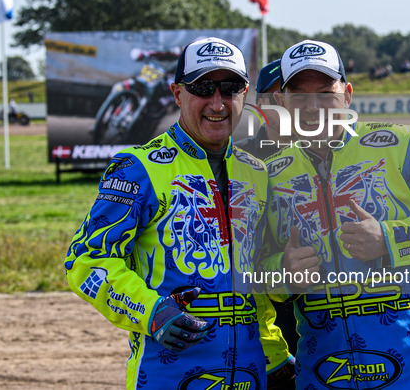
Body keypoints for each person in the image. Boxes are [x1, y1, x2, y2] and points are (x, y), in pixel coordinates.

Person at [261, 39, 410, 388]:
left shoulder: (403, 143)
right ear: (280, 102)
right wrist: (282, 272)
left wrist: (390, 238)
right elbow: (254, 274)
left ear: (347, 95)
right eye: (299, 95)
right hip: (321, 372)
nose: (313, 106)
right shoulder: (271, 175)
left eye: (325, 92)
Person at [65, 36, 280, 390]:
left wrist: (274, 355)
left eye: (230, 88)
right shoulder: (137, 167)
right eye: (202, 87)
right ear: (178, 94)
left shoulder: (257, 172)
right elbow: (86, 260)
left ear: (245, 95)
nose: (217, 102)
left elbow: (255, 284)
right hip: (168, 372)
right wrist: (150, 311)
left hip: (249, 374)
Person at [236, 59, 300, 363]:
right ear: (260, 103)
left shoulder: (328, 151)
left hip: (320, 291)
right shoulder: (237, 157)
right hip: (262, 295)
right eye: (277, 96)